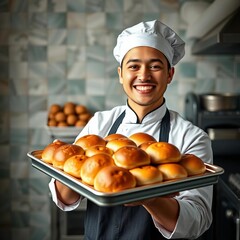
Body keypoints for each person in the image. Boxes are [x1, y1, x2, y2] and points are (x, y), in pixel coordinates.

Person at [49, 20, 213, 239]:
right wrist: (80, 167)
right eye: (134, 66)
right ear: (120, 74)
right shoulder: (100, 124)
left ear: (170, 74)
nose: (143, 76)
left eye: (155, 66)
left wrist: (149, 196)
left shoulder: (191, 137)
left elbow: (197, 222)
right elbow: (66, 199)